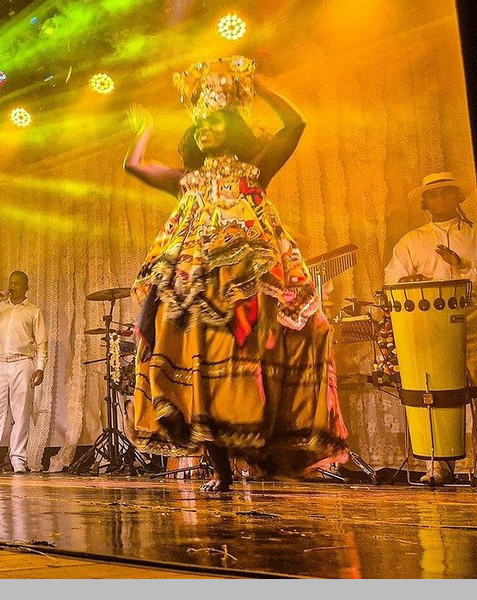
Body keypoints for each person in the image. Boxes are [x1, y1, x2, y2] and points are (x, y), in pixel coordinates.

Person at [124, 56, 348, 492]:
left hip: (245, 278)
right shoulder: (185, 181)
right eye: (198, 124)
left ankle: (259, 449)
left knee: (246, 362)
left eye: (213, 121)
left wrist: (260, 88)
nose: (203, 129)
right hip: (192, 282)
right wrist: (145, 128)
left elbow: (295, 124)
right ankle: (221, 470)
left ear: (232, 126)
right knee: (197, 364)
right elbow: (134, 165)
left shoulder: (255, 170)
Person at [384, 171, 477, 485]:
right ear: (425, 203)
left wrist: (462, 266)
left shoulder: (474, 235)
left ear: (458, 197)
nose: (440, 199)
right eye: (433, 195)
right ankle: (438, 465)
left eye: (447, 193)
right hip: (431, 329)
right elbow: (392, 280)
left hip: (472, 322)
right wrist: (408, 281)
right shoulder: (413, 240)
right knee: (435, 394)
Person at [0, 271, 47, 474]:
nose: (13, 286)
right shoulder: (0, 308)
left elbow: (41, 343)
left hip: (22, 362)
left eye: (17, 283)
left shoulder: (33, 311)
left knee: (21, 412)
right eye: (11, 282)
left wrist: (40, 367)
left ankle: (18, 459)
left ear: (26, 288)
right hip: (0, 363)